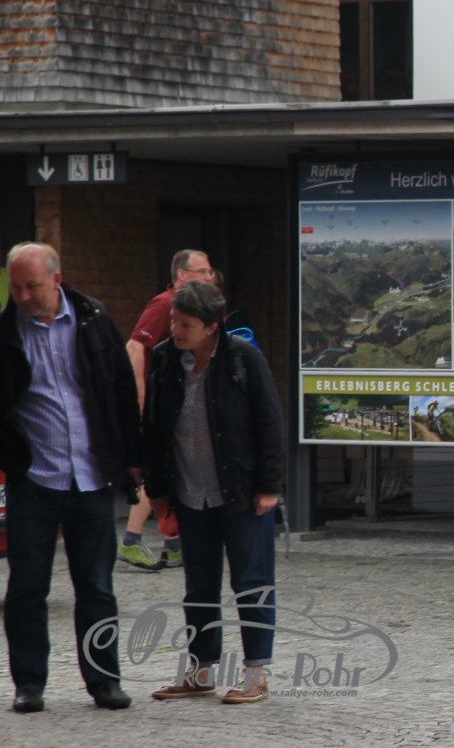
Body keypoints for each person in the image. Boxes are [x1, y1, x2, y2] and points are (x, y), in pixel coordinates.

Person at [0, 242, 139, 712]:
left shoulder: (93, 319)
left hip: (91, 476)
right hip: (35, 478)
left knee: (96, 587)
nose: (23, 296)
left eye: (33, 286)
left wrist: (132, 458)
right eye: (16, 287)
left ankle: (104, 681)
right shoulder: (6, 332)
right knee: (27, 588)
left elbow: (121, 389)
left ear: (56, 280)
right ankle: (29, 684)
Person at [143, 281, 284, 705]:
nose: (176, 330)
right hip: (191, 492)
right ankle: (201, 671)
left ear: (212, 326)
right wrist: (157, 488)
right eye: (174, 321)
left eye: (185, 324)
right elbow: (153, 426)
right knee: (198, 586)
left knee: (251, 583)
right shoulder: (165, 358)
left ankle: (256, 673)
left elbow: (270, 421)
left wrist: (269, 486)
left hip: (241, 491)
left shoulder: (243, 357)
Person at [120, 248, 216, 570]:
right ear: (182, 275)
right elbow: (135, 346)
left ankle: (174, 544)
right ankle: (131, 539)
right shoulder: (165, 304)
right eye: (202, 272)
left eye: (210, 272)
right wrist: (140, 397)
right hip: (161, 405)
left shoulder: (201, 307)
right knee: (157, 470)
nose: (209, 277)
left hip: (181, 404)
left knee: (176, 468)